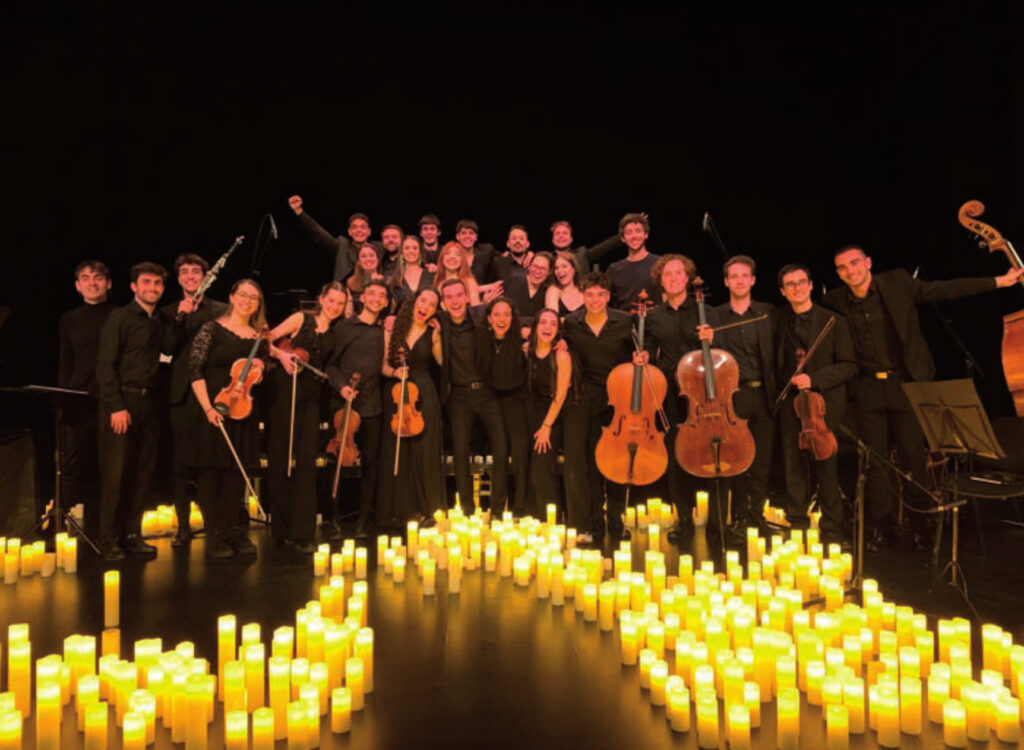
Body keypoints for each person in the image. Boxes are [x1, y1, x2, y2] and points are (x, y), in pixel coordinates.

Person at [823, 245, 1024, 550]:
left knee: (913, 457)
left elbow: (944, 290)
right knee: (874, 462)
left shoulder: (897, 282)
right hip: (867, 389)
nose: (851, 271)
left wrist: (999, 281)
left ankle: (921, 526)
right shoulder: (835, 301)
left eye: (855, 263)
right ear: (838, 273)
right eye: (843, 268)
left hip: (906, 384)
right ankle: (881, 527)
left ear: (868, 262)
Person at [95, 262, 178, 561]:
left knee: (143, 474)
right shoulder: (119, 317)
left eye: (157, 283)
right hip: (123, 402)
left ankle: (132, 535)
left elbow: (170, 351)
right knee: (116, 475)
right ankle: (109, 539)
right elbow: (105, 366)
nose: (152, 288)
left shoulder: (162, 322)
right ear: (133, 286)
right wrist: (116, 406)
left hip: (150, 403)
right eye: (146, 282)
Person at [186, 279, 269, 559]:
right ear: (232, 297)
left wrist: (259, 367)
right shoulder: (211, 328)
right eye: (243, 295)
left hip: (244, 409)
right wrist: (208, 408)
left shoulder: (257, 336)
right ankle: (215, 533)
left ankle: (234, 529)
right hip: (215, 408)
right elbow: (195, 370)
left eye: (254, 298)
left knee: (236, 474)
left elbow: (261, 376)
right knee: (211, 474)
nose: (248, 301)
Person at [774, 264, 857, 546]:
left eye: (801, 282)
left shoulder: (834, 321)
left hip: (822, 404)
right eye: (790, 284)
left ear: (811, 285)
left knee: (826, 466)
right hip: (790, 403)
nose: (797, 288)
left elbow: (849, 365)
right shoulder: (779, 320)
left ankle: (833, 528)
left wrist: (815, 379)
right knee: (792, 464)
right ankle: (796, 522)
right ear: (783, 292)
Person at [264, 282, 347, 554]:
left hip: (311, 397)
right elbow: (265, 339)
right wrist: (282, 356)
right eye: (331, 300)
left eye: (340, 303)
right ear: (321, 299)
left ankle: (303, 532)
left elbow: (329, 367)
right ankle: (281, 530)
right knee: (280, 457)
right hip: (285, 391)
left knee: (307, 462)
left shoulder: (334, 336)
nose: (335, 306)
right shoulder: (301, 319)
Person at [561, 272, 639, 539]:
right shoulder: (571, 323)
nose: (595, 300)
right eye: (590, 294)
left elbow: (642, 350)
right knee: (592, 461)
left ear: (608, 296)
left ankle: (616, 518)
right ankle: (595, 517)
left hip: (619, 400)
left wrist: (643, 356)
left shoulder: (626, 321)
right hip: (585, 399)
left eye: (600, 294)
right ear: (583, 295)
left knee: (617, 462)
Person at [159, 253, 228, 547]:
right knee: (181, 463)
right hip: (182, 394)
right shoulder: (167, 312)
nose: (190, 276)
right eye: (184, 272)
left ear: (206, 277)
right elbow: (165, 350)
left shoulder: (223, 309)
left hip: (215, 393)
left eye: (196, 272)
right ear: (178, 279)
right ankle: (183, 526)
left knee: (211, 461)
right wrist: (180, 318)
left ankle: (216, 523)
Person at [643, 254, 712, 543]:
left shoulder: (703, 310)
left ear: (687, 278)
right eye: (667, 274)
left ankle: (712, 517)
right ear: (661, 280)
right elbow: (648, 348)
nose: (672, 278)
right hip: (670, 391)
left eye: (678, 273)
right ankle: (683, 517)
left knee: (705, 452)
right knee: (674, 454)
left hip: (700, 389)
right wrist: (644, 355)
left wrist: (711, 336)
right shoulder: (653, 316)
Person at [708, 255, 777, 540]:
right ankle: (736, 515)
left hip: (763, 394)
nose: (738, 280)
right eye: (733, 276)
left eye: (744, 276)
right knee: (735, 460)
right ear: (726, 281)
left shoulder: (768, 312)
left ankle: (756, 514)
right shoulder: (714, 316)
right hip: (730, 398)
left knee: (760, 461)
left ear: (753, 280)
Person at [439, 279, 510, 515]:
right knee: (460, 452)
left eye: (459, 295)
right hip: (459, 395)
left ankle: (499, 510)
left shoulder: (481, 314)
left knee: (501, 449)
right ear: (443, 302)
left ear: (467, 297)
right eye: (449, 297)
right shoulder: (439, 322)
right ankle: (467, 510)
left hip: (489, 393)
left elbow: (513, 318)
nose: (455, 301)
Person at [58, 260, 115, 540]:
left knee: (110, 465)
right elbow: (65, 362)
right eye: (85, 278)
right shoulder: (69, 319)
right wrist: (63, 399)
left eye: (98, 278)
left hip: (110, 401)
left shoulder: (120, 315)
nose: (92, 282)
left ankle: (107, 527)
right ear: (78, 285)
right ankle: (64, 523)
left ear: (108, 283)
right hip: (78, 402)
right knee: (72, 465)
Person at [326, 281, 389, 538]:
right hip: (343, 403)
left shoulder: (384, 332)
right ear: (362, 297)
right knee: (336, 462)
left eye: (382, 296)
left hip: (372, 405)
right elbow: (331, 366)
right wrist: (342, 387)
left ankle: (365, 520)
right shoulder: (343, 328)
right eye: (371, 293)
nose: (376, 298)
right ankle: (331, 518)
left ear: (386, 303)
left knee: (371, 464)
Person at [378, 287, 445, 525]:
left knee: (424, 453)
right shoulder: (393, 328)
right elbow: (383, 365)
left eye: (432, 304)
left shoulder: (432, 332)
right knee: (399, 452)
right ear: (414, 301)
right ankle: (399, 511)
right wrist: (395, 372)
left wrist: (438, 338)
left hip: (425, 395)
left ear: (435, 311)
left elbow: (442, 363)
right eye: (423, 300)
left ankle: (428, 510)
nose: (425, 306)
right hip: (397, 393)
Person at [526, 308, 590, 535]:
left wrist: (546, 426)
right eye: (542, 322)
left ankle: (580, 527)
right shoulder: (527, 350)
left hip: (571, 409)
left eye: (553, 324)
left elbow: (561, 395)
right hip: (547, 411)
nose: (547, 327)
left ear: (558, 330)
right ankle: (550, 522)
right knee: (540, 467)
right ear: (535, 327)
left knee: (573, 466)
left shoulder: (562, 355)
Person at [476, 298, 530, 516]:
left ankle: (521, 507)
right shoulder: (482, 340)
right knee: (500, 453)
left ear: (513, 318)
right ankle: (497, 509)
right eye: (496, 314)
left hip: (517, 401)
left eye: (506, 314)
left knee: (520, 452)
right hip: (491, 401)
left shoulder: (523, 340)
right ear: (489, 318)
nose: (501, 319)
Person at [287, 195, 382, 282]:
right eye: (354, 227)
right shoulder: (342, 245)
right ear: (349, 232)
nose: (359, 230)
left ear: (369, 231)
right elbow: (319, 234)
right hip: (343, 294)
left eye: (363, 227)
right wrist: (299, 210)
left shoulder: (379, 247)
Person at [607, 213, 661, 309]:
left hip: (655, 321)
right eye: (629, 233)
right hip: (624, 322)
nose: (634, 236)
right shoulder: (614, 269)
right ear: (623, 238)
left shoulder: (660, 264)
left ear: (646, 234)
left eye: (638, 231)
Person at [550, 219, 623, 274]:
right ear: (553, 239)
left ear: (571, 239)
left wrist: (623, 235)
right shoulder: (547, 260)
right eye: (557, 233)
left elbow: (604, 247)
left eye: (565, 233)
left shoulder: (581, 254)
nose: (561, 236)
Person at [389, 234, 434, 311]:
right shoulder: (395, 279)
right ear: (402, 252)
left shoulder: (430, 275)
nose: (411, 251)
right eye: (407, 248)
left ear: (420, 252)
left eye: (415, 248)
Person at [504, 252, 552, 321]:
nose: (538, 271)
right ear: (529, 266)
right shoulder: (513, 281)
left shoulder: (547, 292)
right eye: (535, 266)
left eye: (543, 268)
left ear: (549, 272)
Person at [345, 244, 385, 315]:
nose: (368, 259)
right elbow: (348, 312)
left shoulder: (387, 281)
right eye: (363, 256)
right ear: (359, 262)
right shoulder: (350, 283)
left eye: (371, 255)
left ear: (378, 260)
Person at [545, 251, 586, 316]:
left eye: (564, 266)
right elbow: (553, 320)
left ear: (573, 269)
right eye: (556, 268)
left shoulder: (584, 289)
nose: (560, 271)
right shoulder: (553, 291)